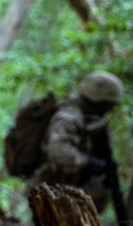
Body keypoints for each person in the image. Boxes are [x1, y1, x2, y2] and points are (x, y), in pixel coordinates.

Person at [34, 71, 124, 212]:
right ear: (98, 100)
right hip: (50, 185)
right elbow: (58, 150)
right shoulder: (70, 116)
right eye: (108, 105)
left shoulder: (87, 116)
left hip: (64, 186)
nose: (109, 110)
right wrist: (87, 161)